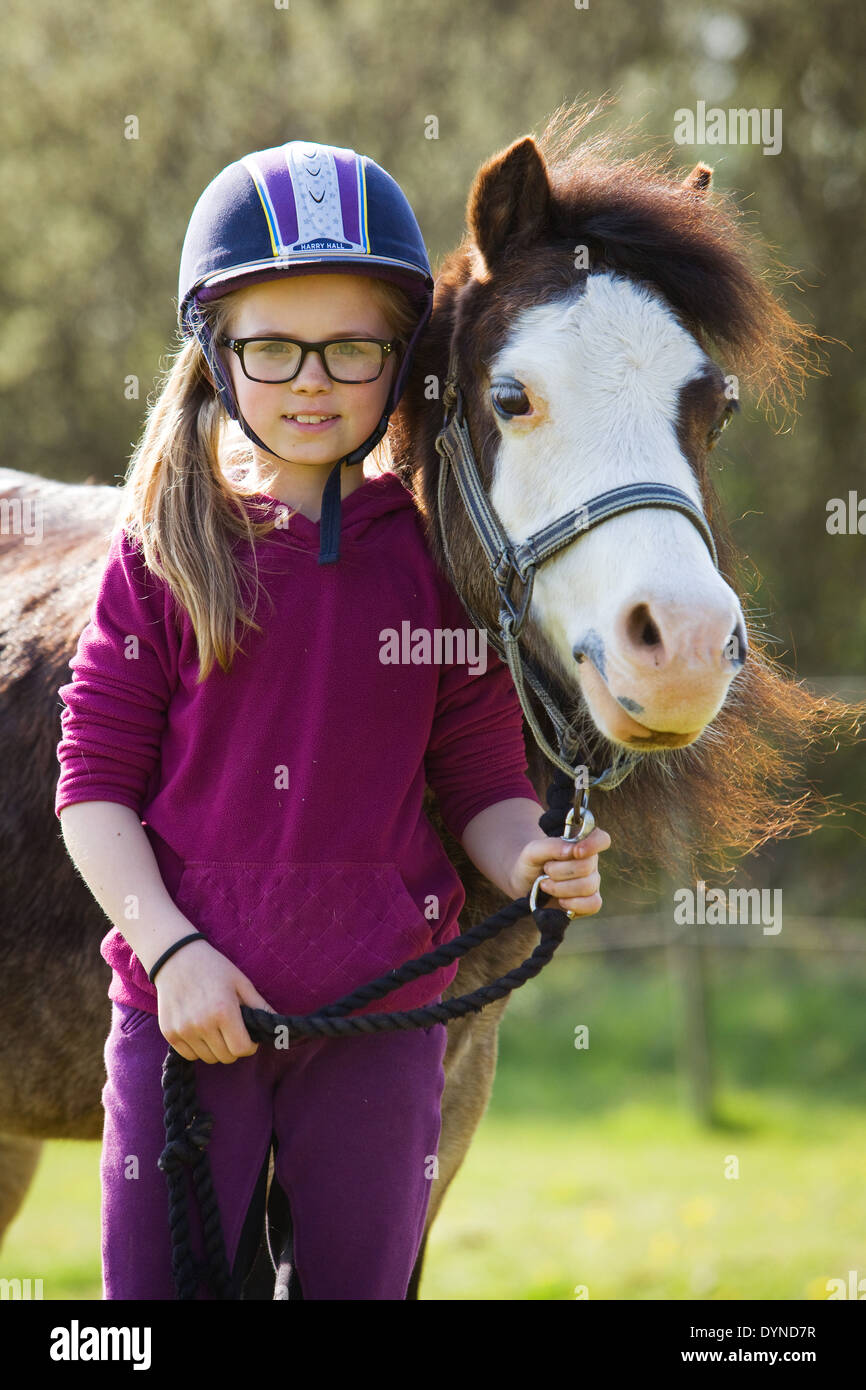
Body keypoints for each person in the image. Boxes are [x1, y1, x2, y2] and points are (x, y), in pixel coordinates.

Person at [54, 139, 611, 1301]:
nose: (311, 380)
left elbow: (477, 777)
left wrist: (531, 858)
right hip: (189, 1017)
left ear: (397, 360)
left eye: (350, 348)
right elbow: (92, 792)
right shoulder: (166, 555)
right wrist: (173, 954)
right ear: (218, 353)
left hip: (379, 1024)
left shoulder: (431, 562)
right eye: (272, 347)